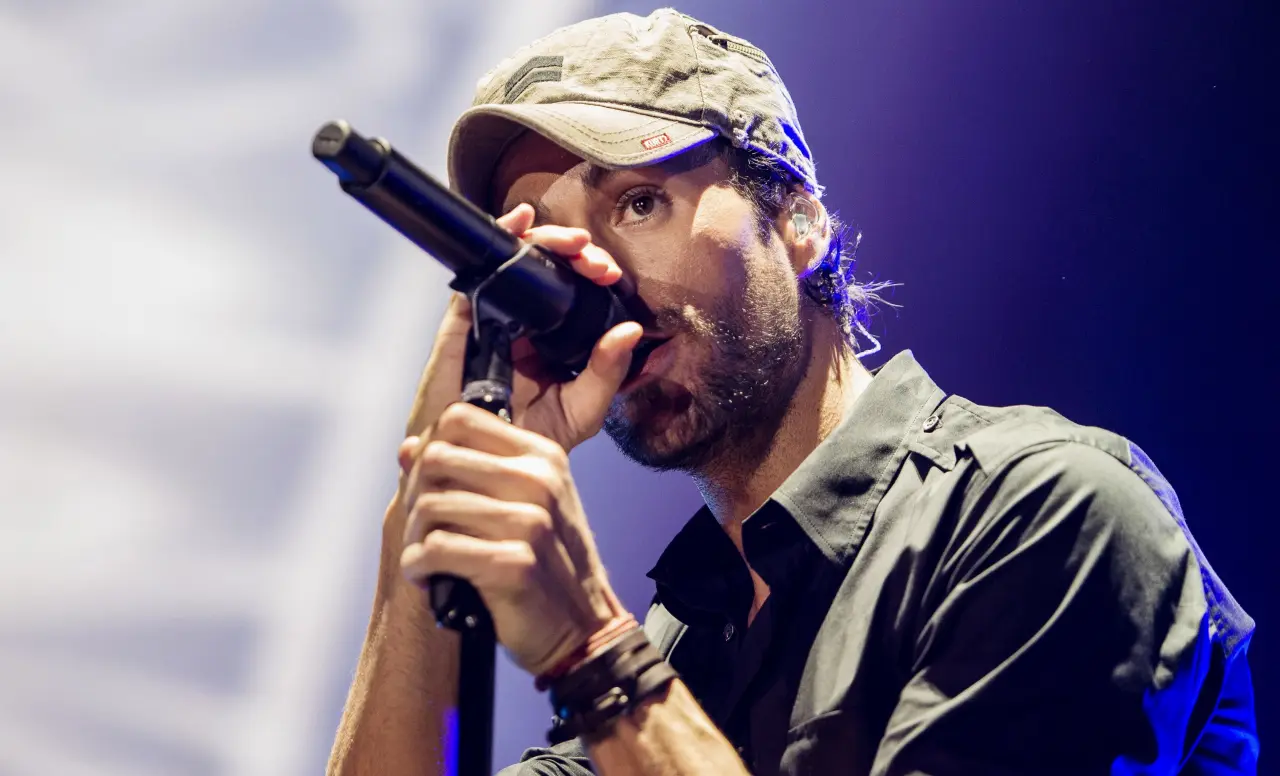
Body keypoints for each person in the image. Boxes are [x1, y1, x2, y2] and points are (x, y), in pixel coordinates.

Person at [327, 9, 1257, 775]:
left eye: (638, 203)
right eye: (547, 244)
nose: (592, 275)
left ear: (799, 220)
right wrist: (430, 499)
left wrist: (593, 653)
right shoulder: (687, 635)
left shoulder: (1043, 512)